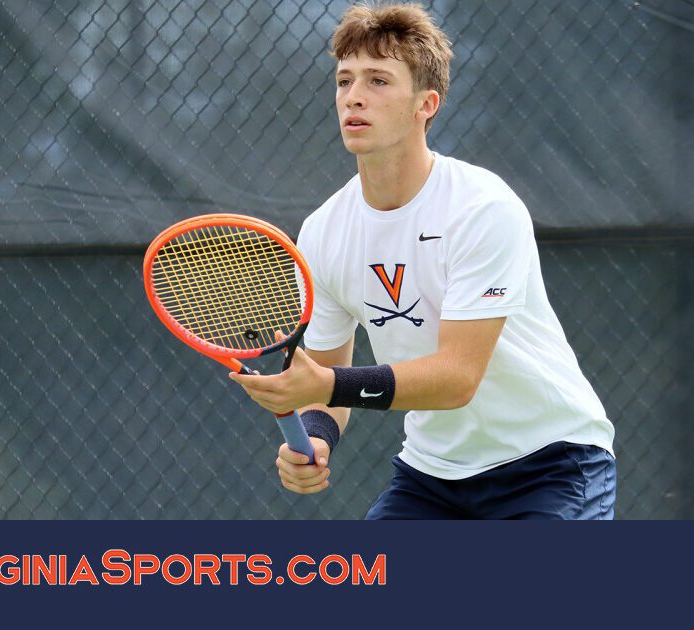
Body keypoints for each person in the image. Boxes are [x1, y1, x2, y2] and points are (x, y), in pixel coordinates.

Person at [230, 1, 615, 519]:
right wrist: (317, 436)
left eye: (378, 81)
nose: (354, 97)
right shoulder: (324, 230)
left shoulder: (482, 207)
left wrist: (327, 385)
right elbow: (323, 379)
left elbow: (457, 377)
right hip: (431, 477)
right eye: (344, 80)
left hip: (550, 463)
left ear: (425, 104)